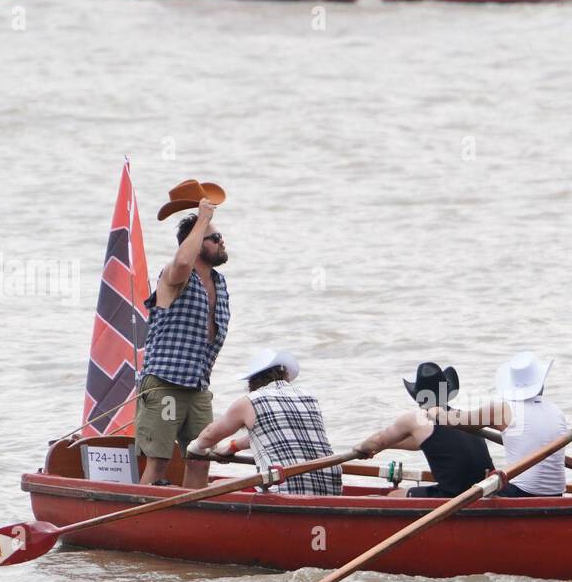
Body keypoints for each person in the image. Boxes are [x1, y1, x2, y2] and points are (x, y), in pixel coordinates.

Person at [136, 187, 232, 488]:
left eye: (219, 237)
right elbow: (180, 263)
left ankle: (192, 520)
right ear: (197, 241)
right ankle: (142, 522)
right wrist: (202, 218)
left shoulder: (219, 282)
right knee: (159, 461)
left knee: (201, 458)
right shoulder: (175, 276)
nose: (221, 241)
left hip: (198, 388)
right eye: (214, 238)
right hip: (165, 382)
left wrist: (205, 225)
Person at [187, 349, 342, 495]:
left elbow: (209, 436)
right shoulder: (309, 397)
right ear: (285, 375)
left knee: (215, 487)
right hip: (332, 485)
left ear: (252, 381)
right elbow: (281, 433)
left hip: (285, 487)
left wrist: (195, 448)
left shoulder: (250, 401)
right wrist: (233, 446)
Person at [427, 351, 569, 498]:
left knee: (464, 487)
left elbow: (456, 420)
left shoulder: (503, 409)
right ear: (541, 382)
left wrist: (435, 411)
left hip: (520, 494)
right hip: (556, 494)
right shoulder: (556, 411)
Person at [353, 363, 495, 498]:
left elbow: (378, 439)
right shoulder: (462, 418)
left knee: (393, 496)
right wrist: (382, 448)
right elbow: (420, 442)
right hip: (486, 490)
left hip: (453, 497)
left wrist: (361, 447)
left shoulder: (416, 418)